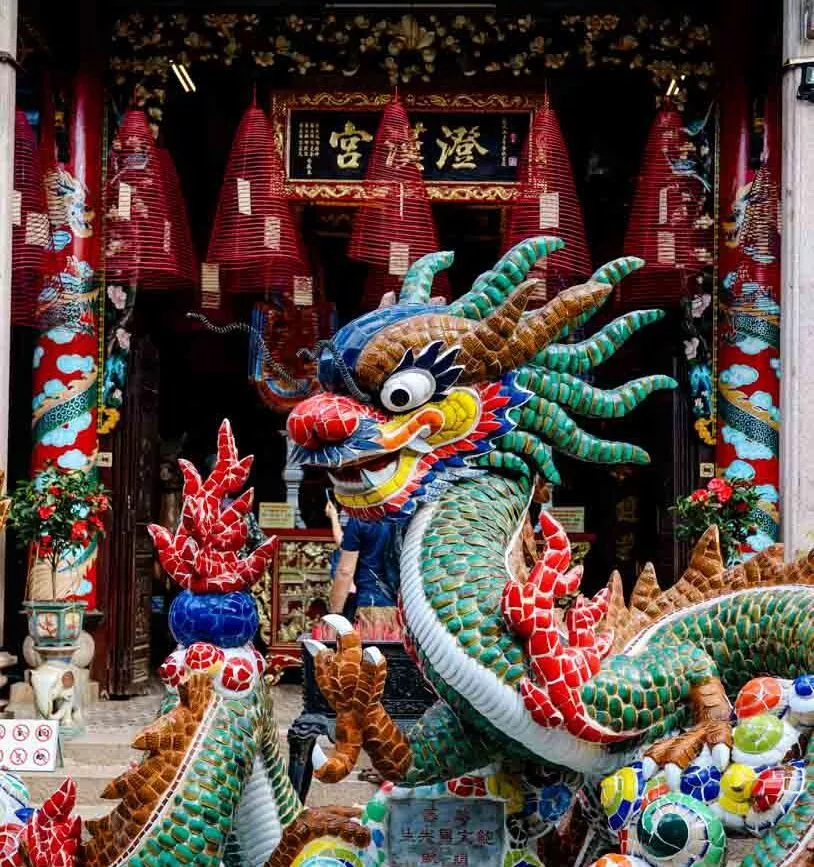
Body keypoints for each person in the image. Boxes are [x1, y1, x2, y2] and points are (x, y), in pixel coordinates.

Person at [324, 497, 401, 639]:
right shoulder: (407, 515)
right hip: (408, 611)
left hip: (371, 605)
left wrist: (335, 614)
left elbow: (345, 571)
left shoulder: (361, 519)